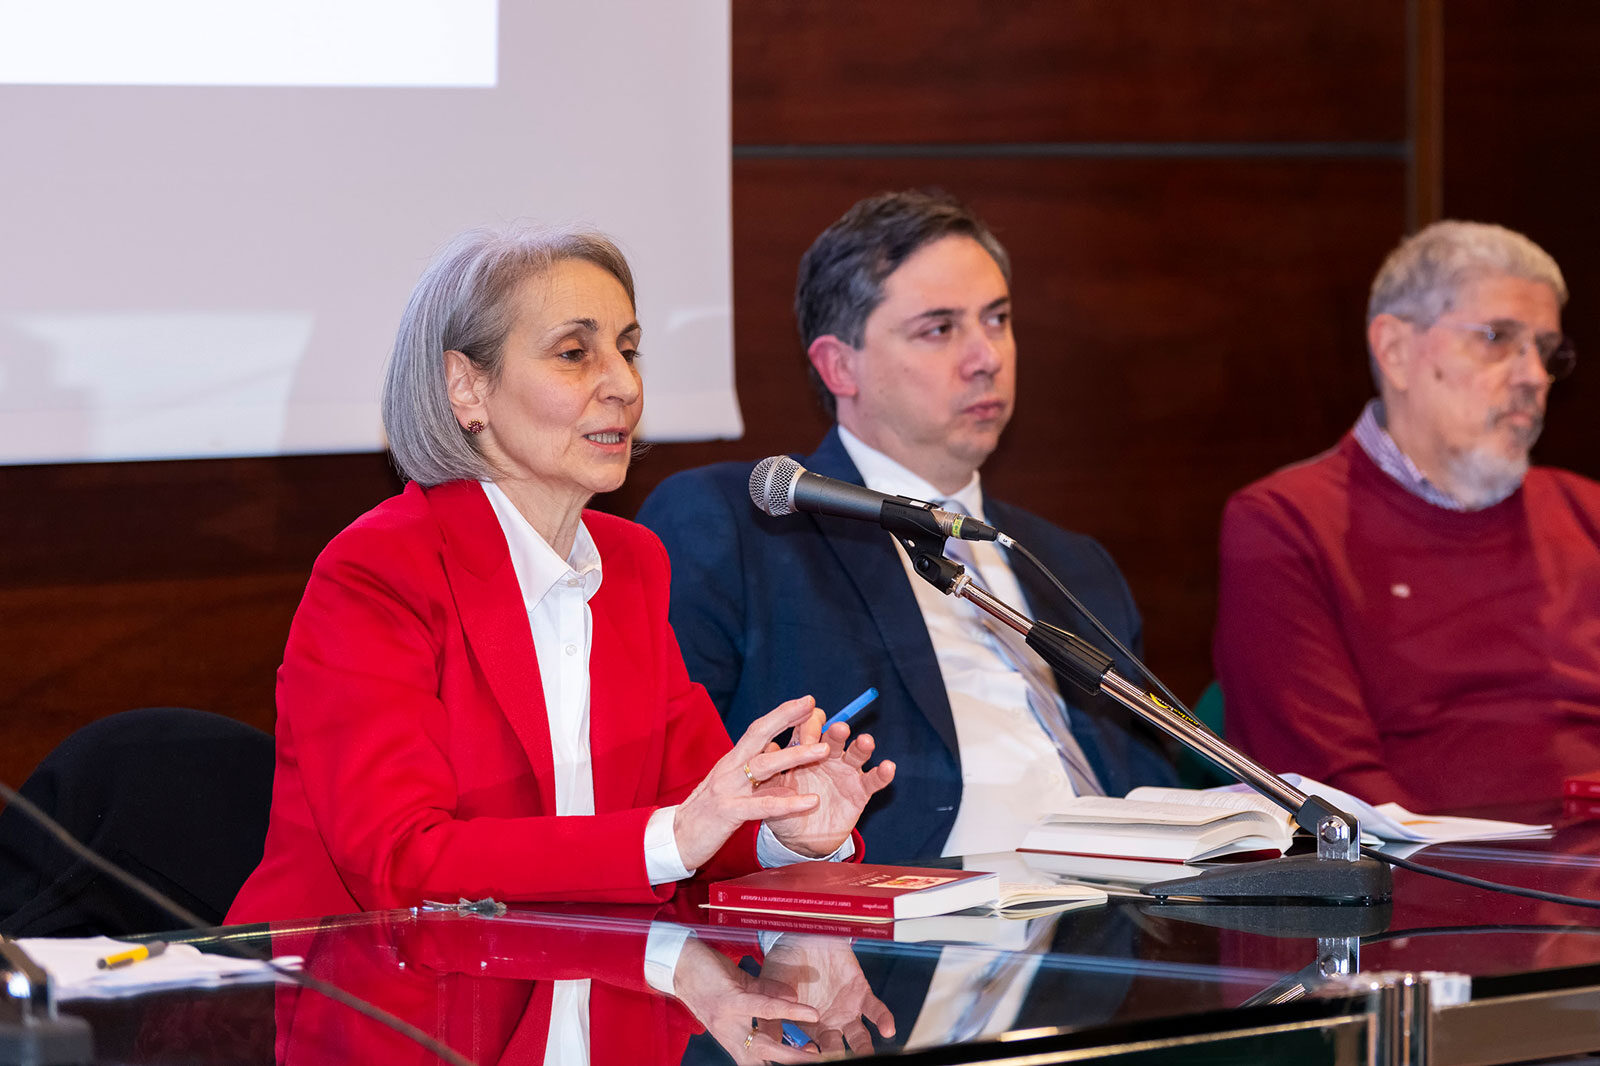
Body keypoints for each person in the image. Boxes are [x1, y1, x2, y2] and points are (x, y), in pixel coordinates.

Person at [228, 225, 894, 924]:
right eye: (574, 354)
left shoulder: (631, 564)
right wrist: (674, 836)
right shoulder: (379, 571)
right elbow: (401, 863)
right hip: (364, 980)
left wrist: (784, 829)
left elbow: (695, 815)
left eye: (628, 351)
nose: (625, 386)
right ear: (466, 388)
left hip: (575, 973)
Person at [638, 190, 1174, 863]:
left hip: (1115, 911)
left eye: (997, 319)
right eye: (939, 329)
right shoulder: (742, 525)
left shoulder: (1072, 565)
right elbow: (671, 793)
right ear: (839, 366)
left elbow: (1150, 784)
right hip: (909, 910)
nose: (987, 356)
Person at [1215, 220, 1600, 813]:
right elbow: (1330, 793)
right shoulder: (1286, 525)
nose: (1534, 376)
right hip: (1431, 868)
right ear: (1395, 351)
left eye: (1546, 350)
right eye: (1497, 338)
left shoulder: (1587, 513)